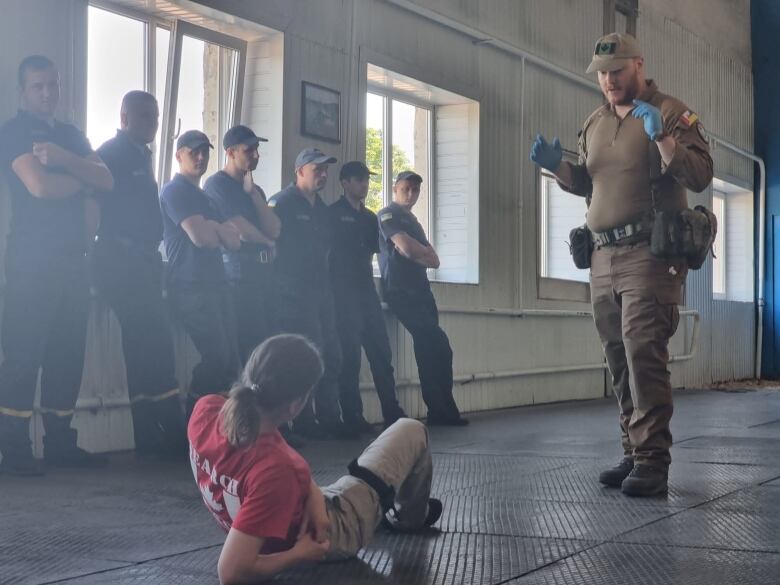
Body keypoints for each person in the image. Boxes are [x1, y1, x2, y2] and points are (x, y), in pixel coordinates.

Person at [530, 33, 713, 496]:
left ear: (638, 66)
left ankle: (653, 461)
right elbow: (592, 186)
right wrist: (559, 168)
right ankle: (632, 450)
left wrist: (664, 139)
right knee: (616, 357)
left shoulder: (671, 111)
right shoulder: (594, 122)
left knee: (642, 353)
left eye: (617, 71)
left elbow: (700, 174)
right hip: (602, 255)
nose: (609, 81)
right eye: (602, 74)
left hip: (649, 256)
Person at [187, 334, 442, 584]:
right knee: (411, 429)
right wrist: (299, 553)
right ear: (295, 406)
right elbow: (230, 572)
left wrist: (312, 494)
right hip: (335, 531)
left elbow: (267, 470)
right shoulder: (278, 468)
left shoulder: (206, 409)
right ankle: (407, 519)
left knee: (331, 485)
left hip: (280, 513)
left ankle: (366, 504)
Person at [0, 55, 114, 475]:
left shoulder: (69, 136)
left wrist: (66, 158)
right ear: (22, 91)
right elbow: (40, 187)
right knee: (23, 357)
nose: (47, 93)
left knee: (68, 356)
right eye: (38, 86)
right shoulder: (12, 132)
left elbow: (107, 180)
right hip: (31, 263)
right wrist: (82, 178)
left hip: (73, 263)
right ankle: (12, 451)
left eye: (53, 84)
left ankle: (61, 442)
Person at [92, 90, 184, 457]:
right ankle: (170, 430)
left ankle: (148, 433)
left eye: (156, 116)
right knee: (155, 343)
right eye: (144, 116)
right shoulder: (110, 154)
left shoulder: (141, 157)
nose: (152, 123)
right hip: (120, 260)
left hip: (143, 261)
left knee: (144, 346)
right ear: (124, 117)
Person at [268, 148, 352, 439]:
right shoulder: (282, 203)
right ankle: (302, 420)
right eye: (317, 169)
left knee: (331, 353)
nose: (323, 175)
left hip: (321, 291)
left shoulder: (323, 211)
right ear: (300, 171)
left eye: (325, 170)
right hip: (292, 293)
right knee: (304, 356)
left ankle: (329, 418)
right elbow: (270, 243)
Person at [160, 130, 242, 417]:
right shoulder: (174, 190)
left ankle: (215, 427)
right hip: (190, 286)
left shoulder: (207, 198)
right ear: (178, 155)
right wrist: (217, 230)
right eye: (193, 151)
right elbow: (202, 237)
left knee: (230, 360)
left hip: (217, 284)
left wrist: (216, 229)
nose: (200, 157)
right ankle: (193, 422)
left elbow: (235, 240)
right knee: (216, 356)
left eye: (205, 151)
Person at [377, 171, 468, 426]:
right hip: (401, 291)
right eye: (406, 188)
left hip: (421, 290)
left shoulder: (413, 222)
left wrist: (416, 253)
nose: (411, 193)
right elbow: (406, 248)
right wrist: (418, 253)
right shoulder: (388, 215)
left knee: (437, 348)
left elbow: (434, 259)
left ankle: (443, 410)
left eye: (416, 189)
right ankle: (440, 410)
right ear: (395, 188)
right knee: (433, 341)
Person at [328, 161, 407, 432]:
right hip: (342, 294)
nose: (364, 184)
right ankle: (353, 417)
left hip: (366, 292)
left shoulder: (370, 218)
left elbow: (377, 251)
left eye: (366, 180)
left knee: (381, 354)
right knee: (349, 357)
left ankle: (392, 412)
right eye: (358, 179)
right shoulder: (333, 214)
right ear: (345, 183)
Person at [203, 125, 281, 364]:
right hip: (237, 276)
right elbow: (240, 228)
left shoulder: (254, 189)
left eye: (257, 149)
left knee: (267, 348)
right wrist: (267, 242)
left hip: (263, 276)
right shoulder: (216, 185)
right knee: (248, 349)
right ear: (231, 152)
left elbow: (274, 228)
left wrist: (254, 195)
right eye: (249, 150)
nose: (256, 155)